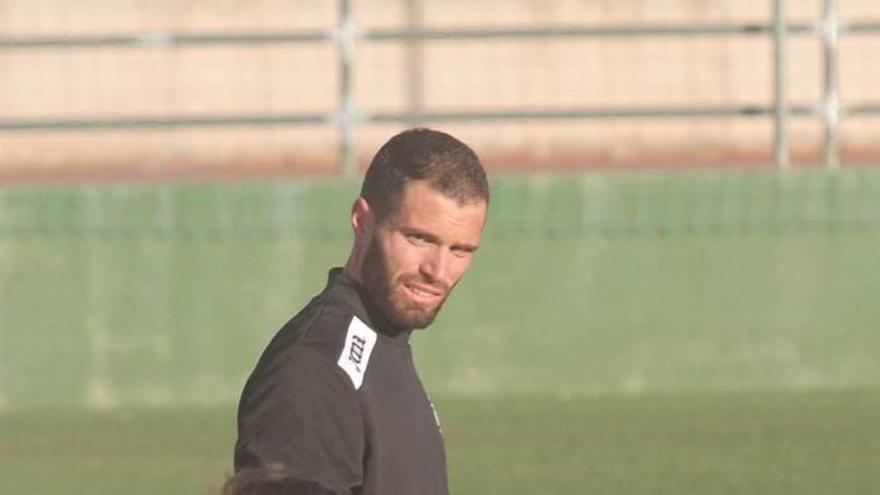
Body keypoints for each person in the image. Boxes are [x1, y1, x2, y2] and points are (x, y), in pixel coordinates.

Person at [234, 128, 490, 495]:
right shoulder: (314, 368)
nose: (438, 270)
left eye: (461, 250)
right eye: (419, 238)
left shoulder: (382, 341)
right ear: (362, 221)